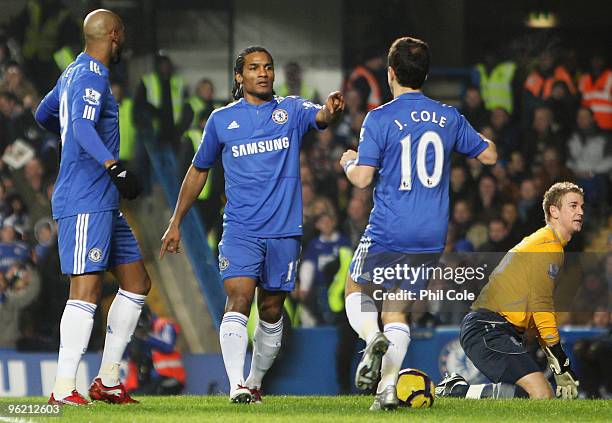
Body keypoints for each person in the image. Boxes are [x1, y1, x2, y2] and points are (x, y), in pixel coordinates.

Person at [159, 45, 344, 403]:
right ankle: (236, 385)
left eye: (268, 67)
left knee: (272, 310)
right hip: (241, 229)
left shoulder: (290, 110)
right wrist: (176, 221)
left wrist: (331, 110)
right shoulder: (220, 121)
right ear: (239, 76)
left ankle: (255, 380)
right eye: (255, 67)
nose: (263, 73)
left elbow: (321, 117)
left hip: (284, 232)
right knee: (239, 298)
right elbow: (199, 171)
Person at [339, 36, 497, 411]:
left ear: (391, 73)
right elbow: (489, 155)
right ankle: (388, 389)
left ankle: (371, 335)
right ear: (425, 74)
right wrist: (471, 136)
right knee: (398, 308)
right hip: (430, 233)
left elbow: (362, 179)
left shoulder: (379, 117)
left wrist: (347, 161)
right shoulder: (448, 116)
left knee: (355, 287)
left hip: (389, 227)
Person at [34, 9, 149, 406]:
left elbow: (43, 113)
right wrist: (111, 165)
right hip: (85, 197)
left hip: (101, 200)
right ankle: (64, 388)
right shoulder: (93, 75)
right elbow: (81, 127)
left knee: (136, 283)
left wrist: (72, 138)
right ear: (114, 35)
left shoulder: (71, 72)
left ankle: (108, 380)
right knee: (85, 291)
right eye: (123, 35)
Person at [437, 182, 584, 400]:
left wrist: (554, 360)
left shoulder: (545, 243)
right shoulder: (547, 246)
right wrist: (561, 363)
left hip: (490, 327)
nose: (580, 211)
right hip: (489, 327)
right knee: (542, 395)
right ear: (554, 211)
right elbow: (542, 306)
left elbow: (536, 311)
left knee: (529, 396)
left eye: (582, 206)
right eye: (573, 205)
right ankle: (457, 391)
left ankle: (459, 390)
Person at [125, 305, 186, 395]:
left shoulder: (164, 325)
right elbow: (133, 355)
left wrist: (145, 337)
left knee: (141, 396)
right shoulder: (137, 332)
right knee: (135, 394)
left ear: (148, 316)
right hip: (151, 377)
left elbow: (168, 346)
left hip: (170, 376)